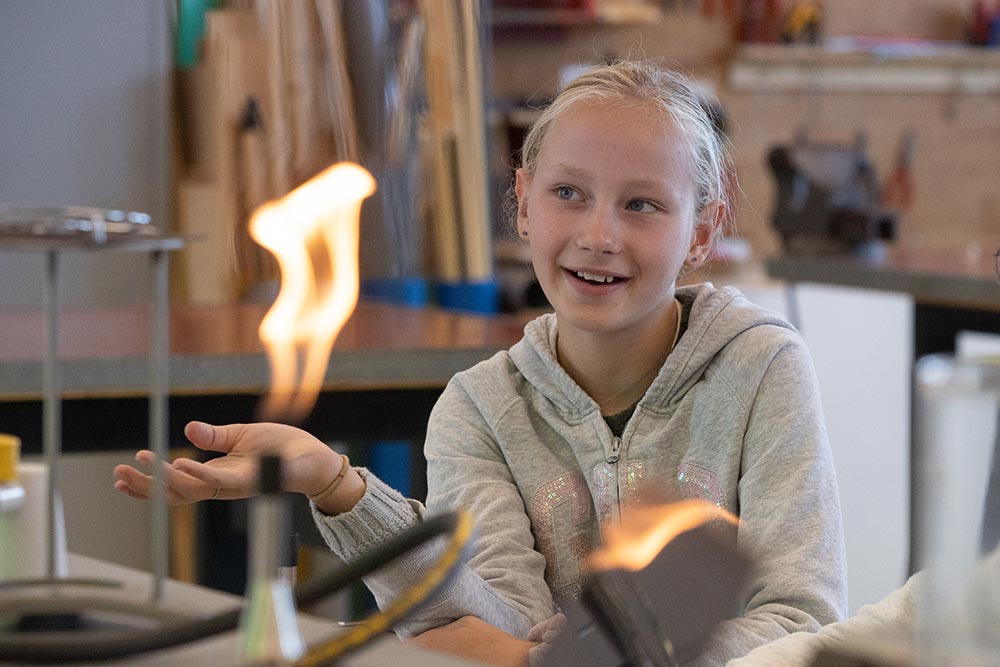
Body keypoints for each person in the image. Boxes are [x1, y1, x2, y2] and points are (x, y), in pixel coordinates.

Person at [114, 60, 846, 666]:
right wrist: (335, 483)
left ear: (702, 232)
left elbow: (801, 617)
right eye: (568, 193)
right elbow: (493, 621)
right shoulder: (480, 407)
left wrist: (624, 653)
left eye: (643, 205)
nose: (599, 234)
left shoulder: (761, 367)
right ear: (523, 203)